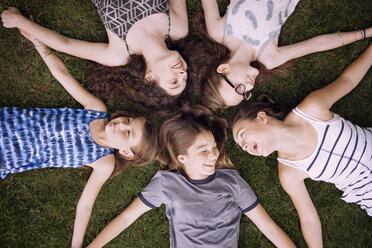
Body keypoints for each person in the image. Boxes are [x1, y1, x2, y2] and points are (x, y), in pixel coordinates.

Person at [0, 29, 158, 248]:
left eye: (128, 132)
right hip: (6, 121)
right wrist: (39, 43)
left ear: (126, 152)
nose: (122, 123)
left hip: (8, 158)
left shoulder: (104, 162)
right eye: (129, 120)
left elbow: (85, 205)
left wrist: (76, 246)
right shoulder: (96, 111)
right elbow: (62, 75)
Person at [86, 105, 296, 248]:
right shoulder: (165, 184)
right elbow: (126, 218)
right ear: (182, 158)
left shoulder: (232, 182)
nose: (214, 154)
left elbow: (268, 227)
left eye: (213, 147)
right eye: (203, 151)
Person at [231, 44, 372, 247]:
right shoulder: (289, 172)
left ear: (261, 117)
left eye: (242, 135)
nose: (244, 145)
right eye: (241, 146)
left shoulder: (311, 110)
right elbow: (308, 217)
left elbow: (348, 80)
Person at [1, 0, 190, 113]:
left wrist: (20, 21)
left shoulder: (118, 53)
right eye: (184, 77)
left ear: (149, 77)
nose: (181, 74)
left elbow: (64, 44)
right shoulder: (178, 28)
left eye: (174, 82)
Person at [197, 0, 372, 110]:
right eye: (245, 94)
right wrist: (365, 33)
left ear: (223, 68)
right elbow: (318, 45)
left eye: (239, 87)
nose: (249, 87)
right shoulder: (268, 57)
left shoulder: (219, 31)